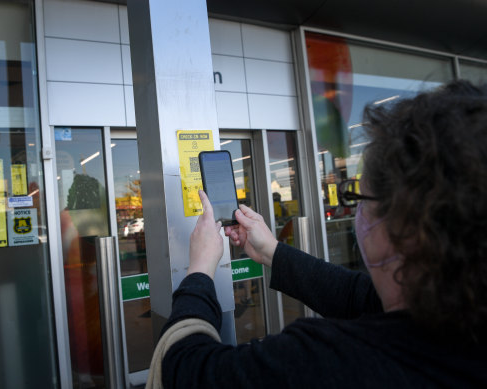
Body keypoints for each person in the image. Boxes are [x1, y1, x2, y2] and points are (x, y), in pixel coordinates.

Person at [147, 80, 487, 388]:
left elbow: (185, 369)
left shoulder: (328, 363)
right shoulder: (455, 313)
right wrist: (271, 251)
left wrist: (200, 269)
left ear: (405, 229)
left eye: (359, 199)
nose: (356, 214)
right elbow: (356, 296)